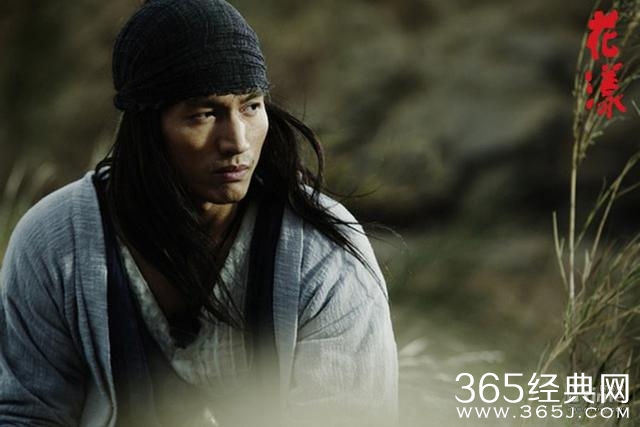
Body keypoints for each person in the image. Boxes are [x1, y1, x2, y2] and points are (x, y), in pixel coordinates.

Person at [0, 0, 398, 425]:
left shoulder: (323, 253)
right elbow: (26, 412)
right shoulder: (56, 243)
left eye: (251, 106)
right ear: (148, 127)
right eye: (204, 114)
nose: (237, 142)